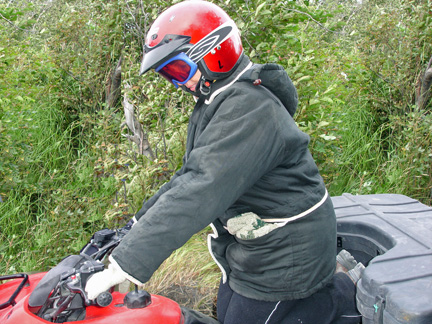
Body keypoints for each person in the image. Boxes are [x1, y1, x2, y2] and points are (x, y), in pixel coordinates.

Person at [85, 1, 363, 323]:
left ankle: (342, 291)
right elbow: (188, 176)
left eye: (178, 70)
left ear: (214, 53)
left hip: (288, 252)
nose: (178, 83)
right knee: (229, 310)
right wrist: (133, 227)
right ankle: (332, 290)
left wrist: (126, 263)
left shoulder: (250, 108)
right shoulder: (217, 98)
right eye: (168, 75)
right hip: (253, 248)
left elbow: (202, 186)